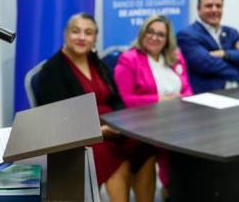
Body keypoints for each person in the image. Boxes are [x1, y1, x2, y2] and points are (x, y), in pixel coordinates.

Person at [36, 13, 156, 202]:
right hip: (79, 136)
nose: (82, 37)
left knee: (146, 146)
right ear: (66, 35)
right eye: (76, 31)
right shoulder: (51, 71)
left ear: (95, 39)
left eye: (88, 33)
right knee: (114, 158)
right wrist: (100, 131)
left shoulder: (96, 62)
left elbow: (116, 99)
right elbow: (58, 121)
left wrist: (121, 124)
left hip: (111, 127)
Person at [113, 15, 193, 197]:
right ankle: (169, 189)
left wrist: (178, 99)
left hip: (177, 118)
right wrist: (159, 100)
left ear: (167, 39)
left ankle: (180, 191)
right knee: (173, 147)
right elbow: (125, 99)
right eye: (150, 32)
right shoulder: (129, 59)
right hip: (143, 124)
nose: (154, 37)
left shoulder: (175, 57)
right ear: (142, 33)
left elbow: (188, 91)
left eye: (160, 34)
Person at [177, 0, 239, 94]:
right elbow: (205, 64)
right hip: (208, 95)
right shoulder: (187, 35)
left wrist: (225, 54)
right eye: (209, 6)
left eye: (218, 6)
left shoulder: (232, 33)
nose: (214, 10)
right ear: (198, 9)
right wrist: (237, 67)